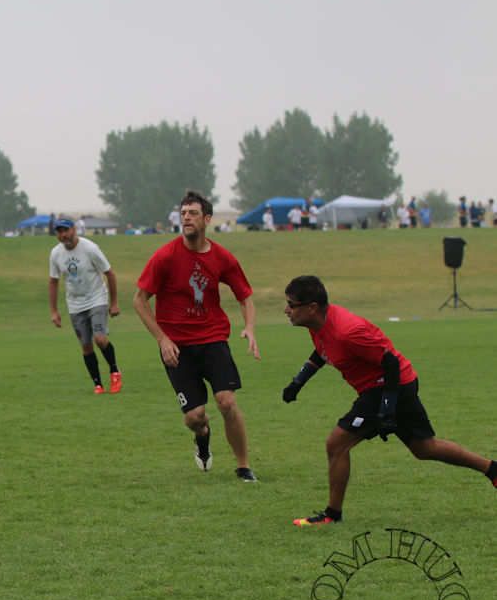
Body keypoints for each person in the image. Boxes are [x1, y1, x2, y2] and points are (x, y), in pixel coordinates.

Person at [281, 275, 497, 525]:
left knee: (336, 445)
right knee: (425, 449)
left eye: (291, 304)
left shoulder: (348, 331)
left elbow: (390, 363)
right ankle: (492, 469)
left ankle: (332, 516)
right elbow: (323, 349)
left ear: (312, 307)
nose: (286, 310)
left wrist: (387, 409)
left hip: (388, 387)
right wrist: (299, 380)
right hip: (393, 386)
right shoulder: (319, 324)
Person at [133, 190, 259, 482]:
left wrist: (250, 327)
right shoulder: (165, 256)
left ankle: (243, 466)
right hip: (177, 348)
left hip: (213, 339)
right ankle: (202, 435)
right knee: (194, 416)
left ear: (207, 219)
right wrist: (163, 339)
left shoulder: (222, 257)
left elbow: (245, 297)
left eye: (193, 213)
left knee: (227, 401)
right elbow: (140, 300)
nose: (186, 218)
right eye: (183, 213)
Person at [48, 217, 121, 395]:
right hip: (75, 305)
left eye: (66, 230)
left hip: (96, 299)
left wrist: (114, 303)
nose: (64, 235)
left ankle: (114, 371)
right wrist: (54, 311)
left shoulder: (90, 248)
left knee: (100, 340)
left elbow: (110, 273)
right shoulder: (56, 254)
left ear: (74, 229)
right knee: (86, 346)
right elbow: (53, 282)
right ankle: (98, 385)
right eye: (60, 232)